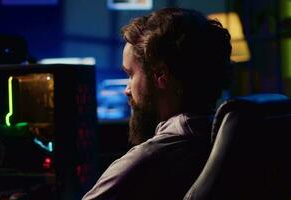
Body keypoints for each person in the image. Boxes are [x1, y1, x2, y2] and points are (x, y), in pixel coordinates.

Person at [83, 7, 232, 200]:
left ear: (161, 75)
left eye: (130, 74)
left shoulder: (148, 158)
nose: (126, 90)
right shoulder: (230, 140)